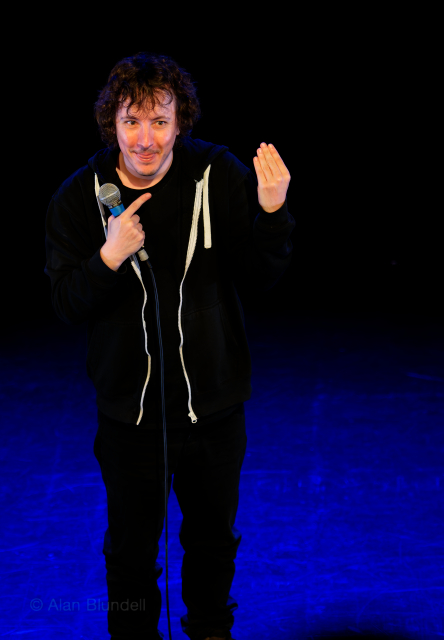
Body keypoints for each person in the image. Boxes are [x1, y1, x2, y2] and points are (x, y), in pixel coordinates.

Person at [44, 51, 295, 640]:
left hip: (215, 411)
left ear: (180, 122)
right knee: (130, 554)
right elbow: (65, 304)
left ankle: (210, 631)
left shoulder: (217, 175)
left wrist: (273, 212)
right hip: (129, 420)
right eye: (132, 121)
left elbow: (261, 275)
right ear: (112, 124)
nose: (145, 139)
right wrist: (108, 257)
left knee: (213, 543)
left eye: (160, 121)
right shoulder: (80, 196)